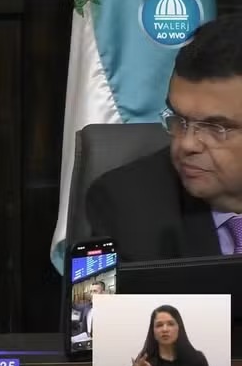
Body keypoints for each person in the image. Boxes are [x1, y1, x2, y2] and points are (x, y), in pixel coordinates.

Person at [86, 13, 242, 262]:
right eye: (179, 119)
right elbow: (94, 291)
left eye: (215, 127)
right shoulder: (127, 204)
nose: (187, 144)